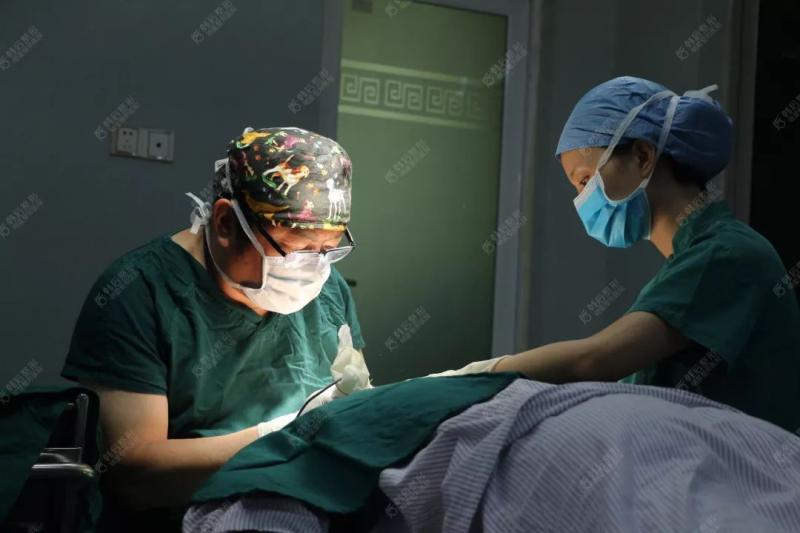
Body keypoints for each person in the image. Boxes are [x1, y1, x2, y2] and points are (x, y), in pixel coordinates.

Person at [60, 127, 367, 521]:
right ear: (224, 222)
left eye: (328, 249)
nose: (313, 268)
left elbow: (354, 396)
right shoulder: (138, 291)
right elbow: (135, 476)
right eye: (296, 249)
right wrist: (279, 437)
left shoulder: (327, 288)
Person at [479, 76, 799, 431]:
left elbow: (595, 359)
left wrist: (477, 376)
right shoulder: (690, 262)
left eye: (584, 180)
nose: (582, 201)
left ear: (643, 157)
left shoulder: (727, 255)